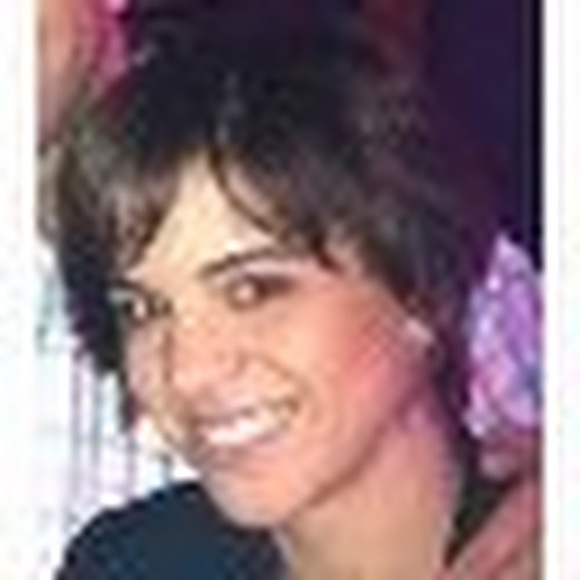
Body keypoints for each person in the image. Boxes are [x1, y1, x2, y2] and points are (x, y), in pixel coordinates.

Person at [51, 2, 539, 578]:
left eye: (252, 290)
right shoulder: (130, 562)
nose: (186, 371)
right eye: (143, 309)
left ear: (419, 292)